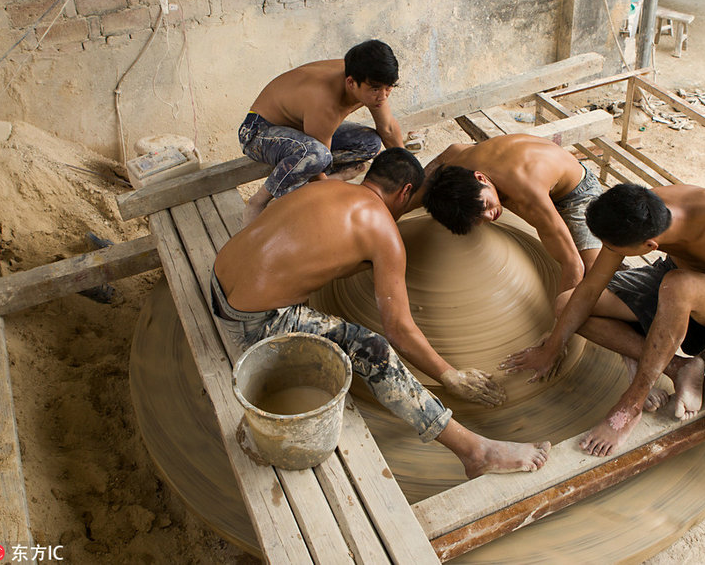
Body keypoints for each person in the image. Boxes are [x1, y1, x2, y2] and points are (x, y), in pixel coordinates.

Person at [212, 148, 550, 478]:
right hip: (252, 321)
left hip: (217, 281)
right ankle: (475, 450)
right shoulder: (383, 232)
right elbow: (399, 331)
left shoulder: (324, 186)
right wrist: (450, 375)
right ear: (406, 192)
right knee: (372, 348)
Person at [500, 183, 705, 457]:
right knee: (566, 304)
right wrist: (552, 347)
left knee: (677, 285)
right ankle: (680, 366)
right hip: (674, 275)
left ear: (649, 245)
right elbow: (591, 288)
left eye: (612, 248)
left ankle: (631, 403)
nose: (609, 252)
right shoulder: (636, 210)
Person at [416, 134, 604, 314]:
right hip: (532, 175)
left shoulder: (526, 194)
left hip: (576, 192)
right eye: (479, 217)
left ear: (481, 178)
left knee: (595, 276)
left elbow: (573, 264)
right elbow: (451, 151)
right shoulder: (457, 165)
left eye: (487, 206)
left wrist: (557, 327)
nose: (490, 216)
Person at [238, 39, 405, 226]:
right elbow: (318, 163)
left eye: (389, 88)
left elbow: (388, 128)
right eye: (376, 89)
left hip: (303, 130)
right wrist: (338, 204)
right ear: (351, 83)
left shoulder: (366, 74)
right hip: (258, 132)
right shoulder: (325, 101)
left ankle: (331, 179)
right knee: (316, 155)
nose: (383, 96)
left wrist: (409, 172)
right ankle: (258, 201)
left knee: (370, 142)